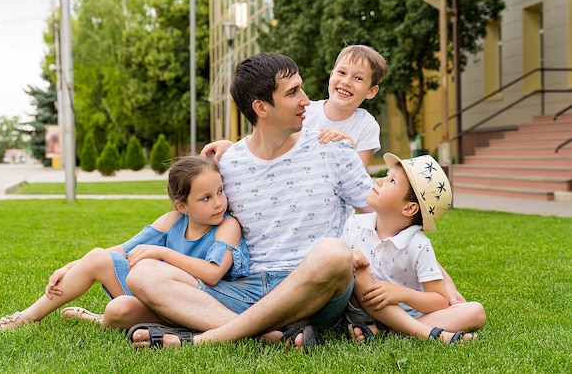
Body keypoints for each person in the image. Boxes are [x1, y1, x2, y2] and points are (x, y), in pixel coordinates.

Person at [125, 52, 374, 350]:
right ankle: (269, 336)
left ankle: (203, 339)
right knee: (142, 275)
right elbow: (190, 214)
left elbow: (383, 215)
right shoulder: (228, 164)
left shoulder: (333, 148)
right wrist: (99, 258)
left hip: (314, 291)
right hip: (248, 289)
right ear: (261, 108)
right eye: (293, 92)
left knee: (334, 254)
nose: (306, 100)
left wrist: (431, 276)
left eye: (301, 88)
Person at [0, 155, 248, 332]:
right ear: (182, 205)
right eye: (206, 198)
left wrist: (162, 251)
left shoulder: (228, 225)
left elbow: (214, 274)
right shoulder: (172, 221)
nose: (218, 202)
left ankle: (95, 319)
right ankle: (27, 317)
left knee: (116, 311)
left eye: (220, 192)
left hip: (198, 304)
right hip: (155, 298)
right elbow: (122, 250)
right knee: (99, 260)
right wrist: (71, 266)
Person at [343, 153, 486, 344]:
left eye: (392, 181)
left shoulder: (418, 245)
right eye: (386, 175)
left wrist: (400, 293)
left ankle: (387, 330)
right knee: (361, 271)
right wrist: (349, 258)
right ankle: (430, 335)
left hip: (409, 312)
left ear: (409, 209)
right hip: (364, 307)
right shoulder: (354, 224)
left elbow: (439, 300)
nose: (379, 181)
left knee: (476, 311)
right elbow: (339, 262)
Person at [305, 44, 388, 169]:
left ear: (371, 91)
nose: (346, 82)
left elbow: (358, 181)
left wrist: (348, 145)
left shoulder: (366, 125)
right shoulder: (305, 112)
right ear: (331, 76)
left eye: (358, 78)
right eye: (342, 72)